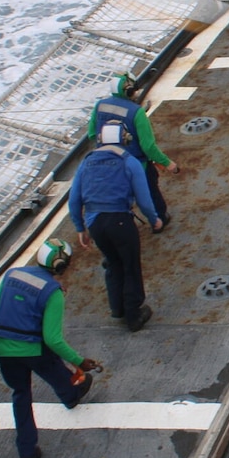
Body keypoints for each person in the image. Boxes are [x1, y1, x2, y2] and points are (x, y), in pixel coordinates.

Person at [0, 238, 102, 458]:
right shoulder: (53, 293)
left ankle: (27, 450)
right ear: (61, 266)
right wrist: (79, 361)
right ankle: (70, 395)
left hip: (3, 347)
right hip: (32, 349)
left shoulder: (12, 275)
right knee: (49, 360)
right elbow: (53, 339)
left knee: (21, 395)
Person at [69, 121, 162, 332]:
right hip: (120, 221)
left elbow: (74, 199)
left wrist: (80, 227)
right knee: (130, 265)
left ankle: (117, 308)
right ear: (126, 140)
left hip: (95, 224)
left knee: (113, 264)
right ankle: (134, 315)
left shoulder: (86, 162)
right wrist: (153, 219)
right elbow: (144, 199)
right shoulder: (129, 162)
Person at [90, 73, 183, 233]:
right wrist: (169, 164)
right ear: (129, 91)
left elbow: (92, 134)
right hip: (137, 166)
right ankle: (159, 220)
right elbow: (148, 147)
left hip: (109, 165)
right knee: (149, 193)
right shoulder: (136, 113)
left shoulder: (100, 106)